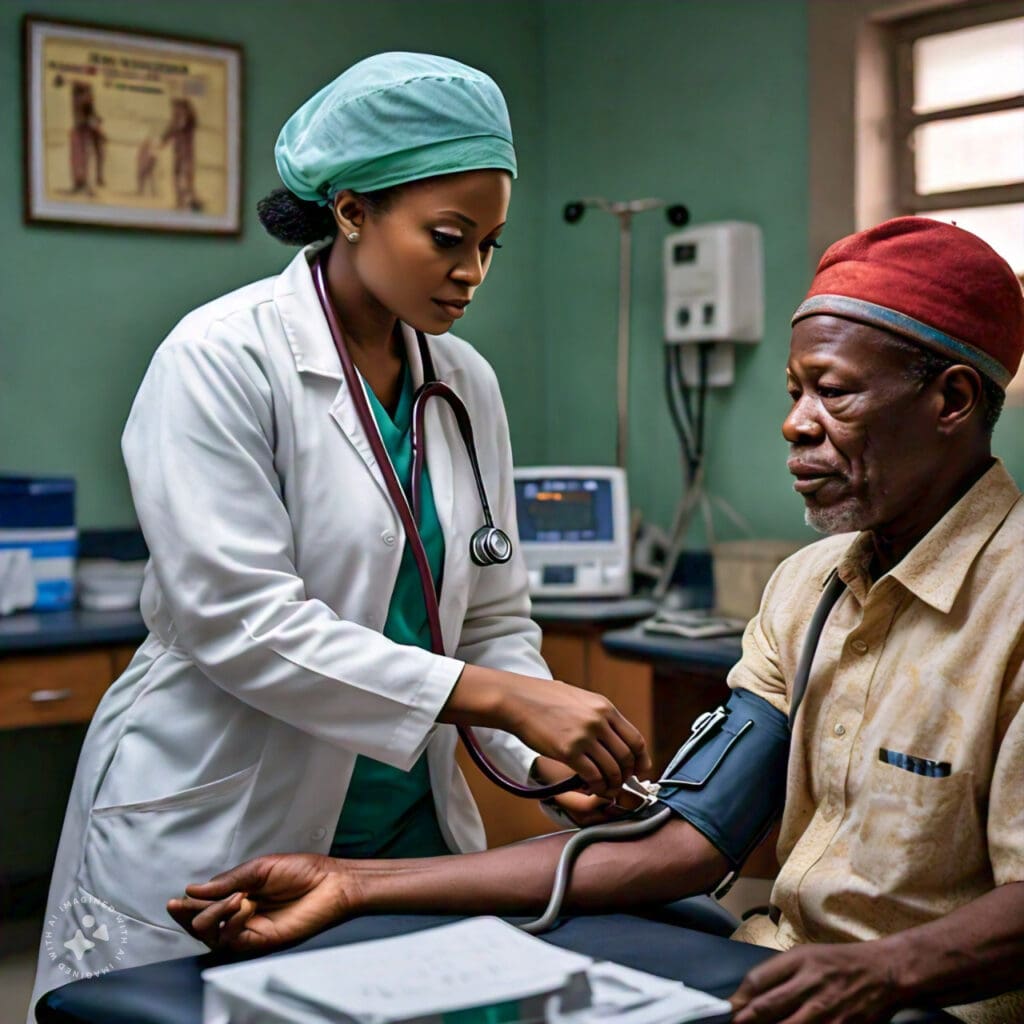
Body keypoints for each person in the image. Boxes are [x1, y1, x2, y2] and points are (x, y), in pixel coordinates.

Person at [170, 218, 1024, 1024]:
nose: (795, 425)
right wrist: (351, 882)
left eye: (832, 394)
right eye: (795, 390)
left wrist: (886, 969)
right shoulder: (807, 590)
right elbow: (687, 840)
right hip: (777, 972)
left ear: (951, 401)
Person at [29, 52, 650, 1016]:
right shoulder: (220, 357)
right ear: (352, 209)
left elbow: (490, 617)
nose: (472, 271)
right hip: (224, 808)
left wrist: (542, 758)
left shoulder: (463, 381)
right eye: (448, 237)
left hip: (402, 831)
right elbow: (241, 622)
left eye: (492, 244)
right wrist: (507, 701)